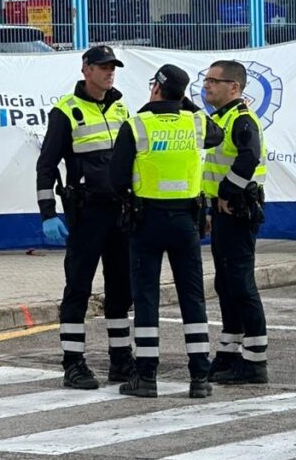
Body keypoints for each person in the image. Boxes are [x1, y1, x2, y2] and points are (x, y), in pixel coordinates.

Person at [109, 63, 224, 399]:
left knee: (146, 298)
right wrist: (183, 103)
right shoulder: (197, 122)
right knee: (192, 297)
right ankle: (199, 378)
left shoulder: (137, 124)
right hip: (186, 222)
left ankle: (146, 377)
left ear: (156, 88)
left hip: (146, 221)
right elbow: (216, 131)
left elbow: (116, 179)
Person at [36, 45, 135, 390]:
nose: (110, 73)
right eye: (104, 67)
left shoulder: (122, 108)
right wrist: (48, 212)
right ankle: (73, 364)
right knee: (78, 289)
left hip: (120, 213)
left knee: (121, 290)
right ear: (86, 69)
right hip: (87, 213)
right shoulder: (66, 111)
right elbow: (46, 165)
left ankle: (121, 361)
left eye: (113, 68)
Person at [201, 60, 269, 385]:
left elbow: (249, 156)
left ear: (234, 88)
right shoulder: (220, 119)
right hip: (223, 213)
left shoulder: (241, 119)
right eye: (206, 80)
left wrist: (227, 192)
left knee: (242, 285)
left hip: (239, 212)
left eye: (215, 81)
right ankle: (228, 356)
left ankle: (255, 363)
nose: (207, 85)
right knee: (225, 286)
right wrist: (212, 208)